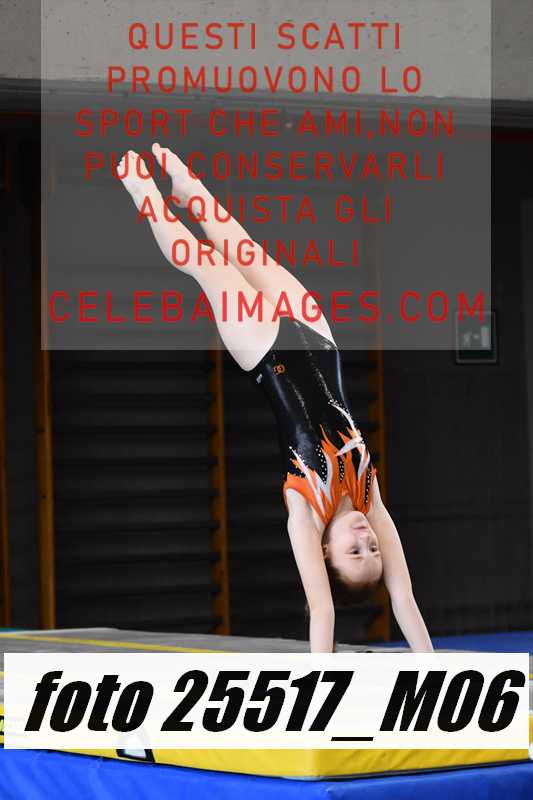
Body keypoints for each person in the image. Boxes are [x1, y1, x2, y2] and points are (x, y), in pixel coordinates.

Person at [118, 145, 433, 654]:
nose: (365, 538)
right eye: (373, 547)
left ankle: (144, 192)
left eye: (355, 552)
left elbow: (323, 610)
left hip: (266, 353)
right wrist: (432, 669)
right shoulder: (370, 500)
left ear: (326, 555)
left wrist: (320, 684)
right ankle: (188, 188)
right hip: (319, 339)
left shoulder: (304, 514)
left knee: (204, 262)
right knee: (243, 248)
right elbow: (404, 599)